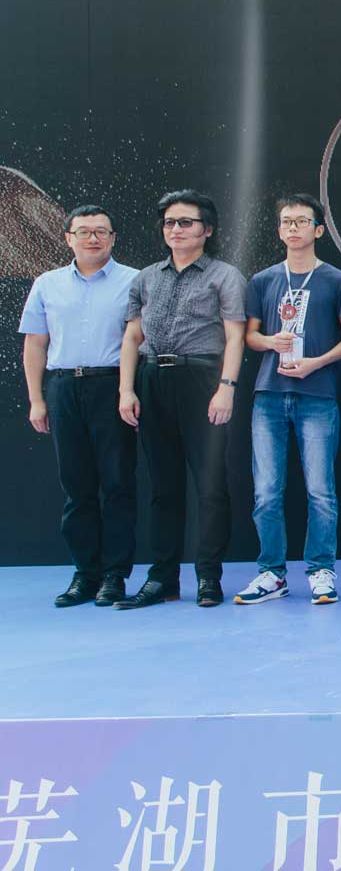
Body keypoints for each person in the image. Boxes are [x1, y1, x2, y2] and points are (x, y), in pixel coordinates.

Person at [116, 190, 248, 609]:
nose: (176, 229)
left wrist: (226, 387)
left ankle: (208, 577)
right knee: (163, 487)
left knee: (210, 486)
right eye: (170, 222)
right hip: (153, 378)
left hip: (203, 379)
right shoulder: (146, 278)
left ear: (207, 230)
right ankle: (163, 579)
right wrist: (126, 389)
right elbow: (132, 337)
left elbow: (235, 337)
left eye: (186, 222)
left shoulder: (225, 276)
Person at [233, 195, 341, 605]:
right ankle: (272, 573)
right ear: (279, 229)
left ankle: (321, 570)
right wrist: (271, 341)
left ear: (318, 230)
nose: (292, 227)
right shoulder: (263, 280)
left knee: (320, 490)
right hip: (269, 394)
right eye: (286, 221)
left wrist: (315, 363)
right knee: (267, 491)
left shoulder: (336, 280)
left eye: (301, 221)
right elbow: (250, 336)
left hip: (317, 393)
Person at [19, 205, 141, 607]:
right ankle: (85, 575)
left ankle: (115, 576)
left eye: (101, 231)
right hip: (63, 388)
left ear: (113, 238)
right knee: (77, 487)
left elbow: (138, 340)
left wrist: (126, 390)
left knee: (118, 484)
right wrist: (37, 399)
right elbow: (35, 343)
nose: (93, 238)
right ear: (68, 238)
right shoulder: (47, 283)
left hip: (112, 386)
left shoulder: (134, 281)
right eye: (84, 231)